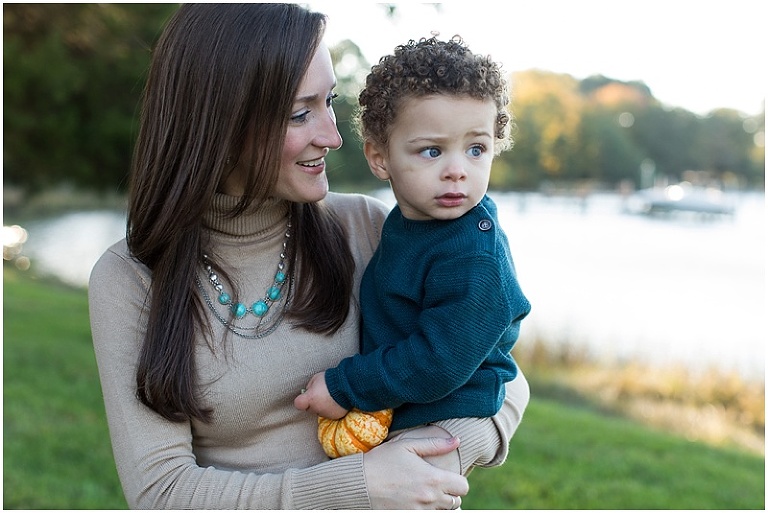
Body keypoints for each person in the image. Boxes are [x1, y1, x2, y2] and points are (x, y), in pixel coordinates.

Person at [89, 4, 529, 510]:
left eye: (330, 102)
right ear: (220, 124)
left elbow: (503, 377)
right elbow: (161, 493)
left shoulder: (366, 228)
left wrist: (436, 457)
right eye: (302, 113)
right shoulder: (129, 279)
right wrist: (358, 487)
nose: (333, 136)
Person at [295, 36, 531, 454]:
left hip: (446, 414)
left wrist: (347, 386)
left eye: (476, 148)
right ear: (380, 158)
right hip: (408, 408)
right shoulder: (405, 224)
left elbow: (439, 360)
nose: (457, 170)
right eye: (432, 151)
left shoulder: (473, 253)